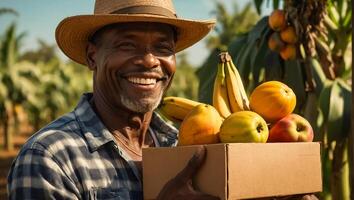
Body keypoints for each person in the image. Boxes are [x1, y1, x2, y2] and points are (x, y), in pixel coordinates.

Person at [7, 0, 318, 199]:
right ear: (92, 56)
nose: (149, 61)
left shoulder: (189, 144)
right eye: (127, 45)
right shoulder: (50, 158)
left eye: (163, 47)